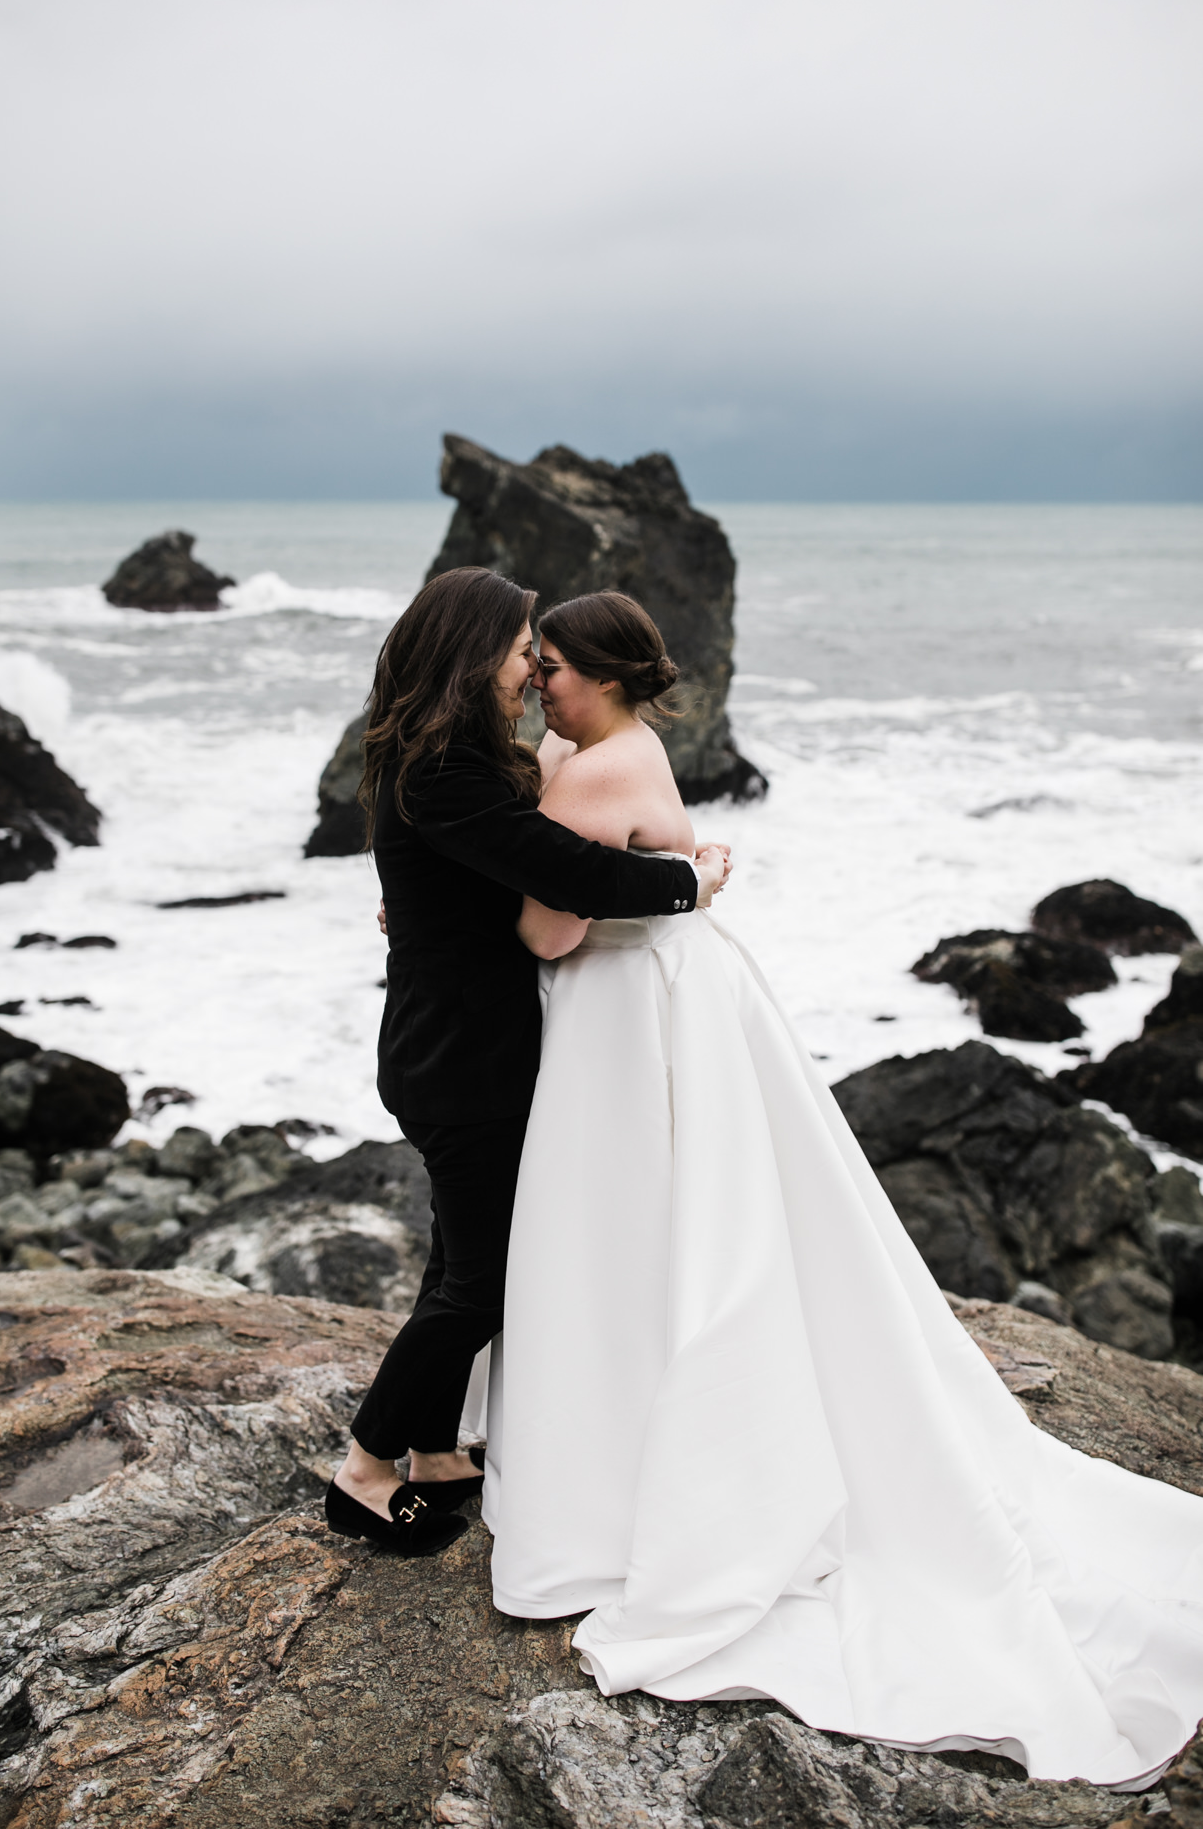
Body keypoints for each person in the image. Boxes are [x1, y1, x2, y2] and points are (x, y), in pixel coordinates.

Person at [484, 588, 1203, 1791]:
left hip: (627, 1011)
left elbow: (548, 934)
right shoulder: (601, 745)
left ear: (601, 676)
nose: (533, 686)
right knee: (670, 1223)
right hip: (673, 992)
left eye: (548, 668)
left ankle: (638, 1450)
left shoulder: (593, 769)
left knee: (645, 1231)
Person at [324, 567, 729, 1556]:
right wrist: (689, 876)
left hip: (455, 1044)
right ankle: (369, 1474)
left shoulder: (447, 759)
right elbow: (565, 871)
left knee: (460, 1257)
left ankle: (437, 1455)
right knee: (484, 1278)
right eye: (518, 653)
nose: (529, 672)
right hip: (462, 1055)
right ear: (474, 657)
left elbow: (503, 864)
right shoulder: (443, 773)